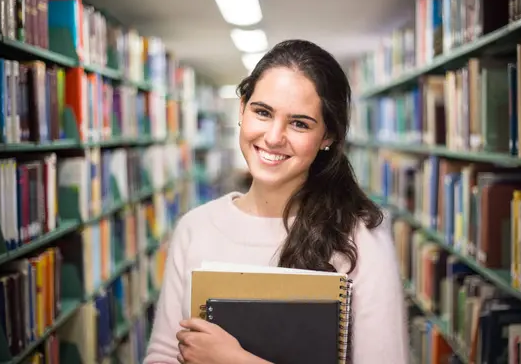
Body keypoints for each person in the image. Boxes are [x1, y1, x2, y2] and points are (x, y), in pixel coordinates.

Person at [144, 39, 409, 364]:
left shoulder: (362, 236)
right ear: (242, 109)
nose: (273, 137)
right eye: (262, 112)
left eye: (299, 123)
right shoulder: (193, 228)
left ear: (328, 136)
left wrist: (235, 360)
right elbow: (163, 355)